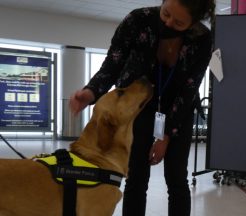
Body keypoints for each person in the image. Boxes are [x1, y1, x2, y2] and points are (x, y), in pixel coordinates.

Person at [69, 0, 216, 215]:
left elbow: (189, 89)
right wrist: (90, 92)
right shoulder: (138, 20)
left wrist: (165, 135)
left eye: (179, 22)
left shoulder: (202, 39)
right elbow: (113, 63)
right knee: (136, 177)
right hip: (136, 108)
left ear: (193, 23)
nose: (168, 23)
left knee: (176, 179)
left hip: (178, 109)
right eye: (166, 13)